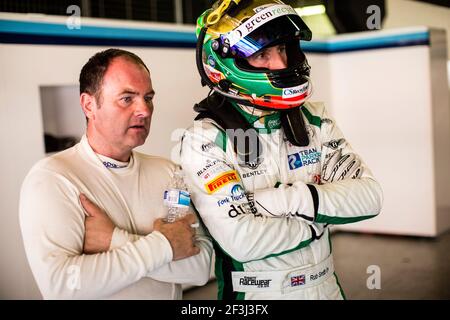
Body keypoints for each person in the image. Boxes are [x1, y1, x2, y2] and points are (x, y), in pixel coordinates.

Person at [179, 0, 383, 300]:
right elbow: (242, 241)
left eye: (283, 50)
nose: (281, 64)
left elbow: (370, 197)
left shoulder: (315, 118)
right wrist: (317, 221)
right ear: (223, 64)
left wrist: (281, 201)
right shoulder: (205, 139)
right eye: (263, 54)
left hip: (327, 288)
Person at [19, 48, 212, 299]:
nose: (145, 110)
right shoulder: (53, 179)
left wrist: (115, 240)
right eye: (127, 98)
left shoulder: (168, 172)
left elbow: (200, 268)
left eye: (149, 98)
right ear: (89, 105)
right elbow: (62, 287)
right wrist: (164, 246)